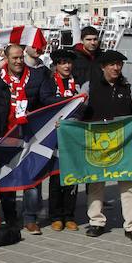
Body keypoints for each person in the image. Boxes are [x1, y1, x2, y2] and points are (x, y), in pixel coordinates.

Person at [82, 50, 132, 243]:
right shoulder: (89, 86)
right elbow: (76, 109)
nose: (116, 68)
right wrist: (66, 124)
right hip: (97, 142)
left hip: (123, 142)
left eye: (119, 64)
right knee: (96, 183)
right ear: (103, 67)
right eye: (112, 64)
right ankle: (96, 221)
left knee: (129, 185)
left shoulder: (128, 86)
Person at [0, 44, 50, 233]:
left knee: (32, 177)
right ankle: (10, 217)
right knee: (8, 176)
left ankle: (30, 218)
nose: (18, 61)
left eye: (21, 57)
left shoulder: (36, 76)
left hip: (29, 134)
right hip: (6, 134)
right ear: (6, 58)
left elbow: (46, 99)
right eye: (14, 58)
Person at [40, 48, 81, 231]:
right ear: (56, 65)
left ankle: (69, 215)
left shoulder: (77, 83)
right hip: (55, 136)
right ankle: (56, 216)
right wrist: (67, 101)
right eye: (63, 62)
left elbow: (85, 106)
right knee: (56, 178)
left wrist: (80, 102)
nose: (67, 66)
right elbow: (44, 99)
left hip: (74, 135)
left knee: (72, 177)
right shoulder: (49, 82)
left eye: (69, 63)